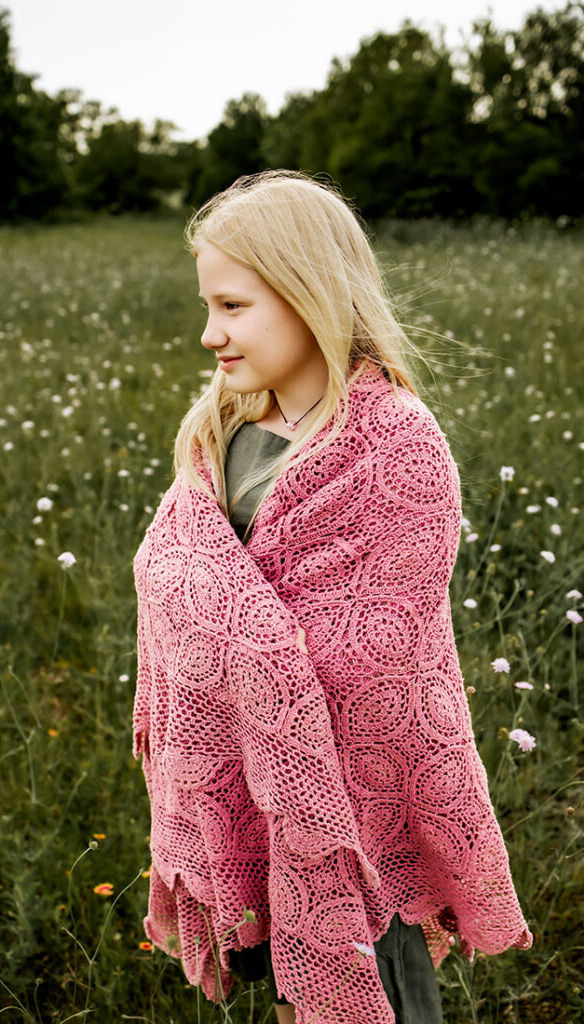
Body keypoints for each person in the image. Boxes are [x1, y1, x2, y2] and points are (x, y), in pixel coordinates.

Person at [132, 169, 531, 1024]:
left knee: (378, 994)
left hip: (358, 811)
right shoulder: (222, 430)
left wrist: (237, 650)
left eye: (233, 307)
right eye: (209, 308)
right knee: (288, 995)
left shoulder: (398, 447)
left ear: (308, 295)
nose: (210, 335)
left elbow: (372, 657)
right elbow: (178, 573)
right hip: (251, 782)